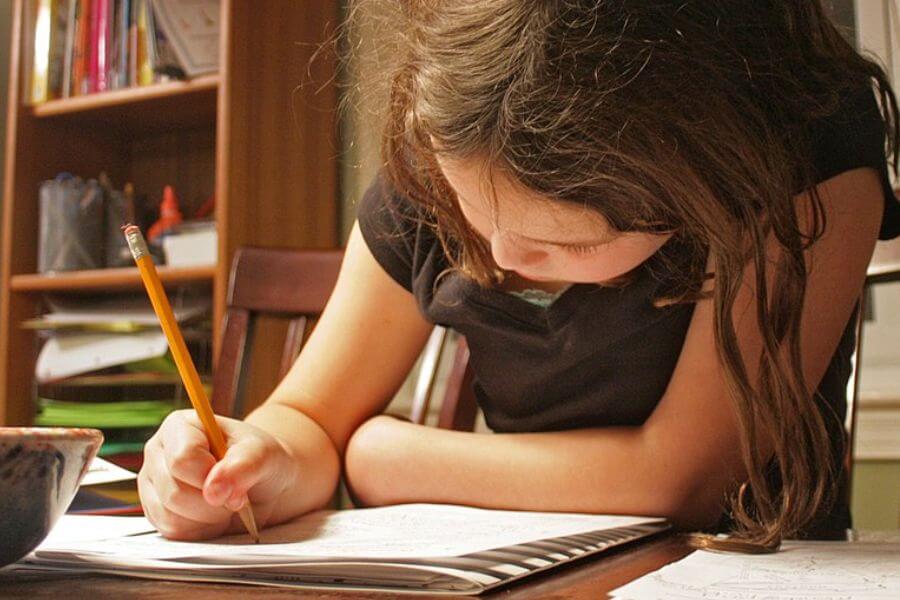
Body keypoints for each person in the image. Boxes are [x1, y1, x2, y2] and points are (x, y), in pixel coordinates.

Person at [138, 1, 900, 551]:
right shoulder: (440, 162)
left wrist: (381, 455)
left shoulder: (804, 150)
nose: (499, 257)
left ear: (690, 189)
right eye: (473, 213)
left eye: (554, 244)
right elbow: (307, 419)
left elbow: (681, 479)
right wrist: (249, 461)